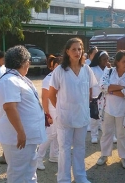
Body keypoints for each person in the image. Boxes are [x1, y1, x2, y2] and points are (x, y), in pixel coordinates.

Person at [48, 37, 97, 183]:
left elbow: (90, 90)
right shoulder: (60, 71)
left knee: (80, 148)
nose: (77, 52)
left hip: (81, 116)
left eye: (80, 49)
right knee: (64, 149)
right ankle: (64, 179)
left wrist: (82, 104)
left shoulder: (86, 69)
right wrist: (61, 109)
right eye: (74, 49)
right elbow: (51, 94)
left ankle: (81, 177)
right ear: (67, 51)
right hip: (65, 117)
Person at [0, 45, 46, 183]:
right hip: (18, 137)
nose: (29, 64)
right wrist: (21, 132)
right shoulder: (9, 80)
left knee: (29, 171)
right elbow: (9, 107)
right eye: (28, 61)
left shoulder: (19, 78)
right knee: (18, 174)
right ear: (24, 62)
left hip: (27, 137)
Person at [96, 50, 125, 169]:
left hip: (124, 111)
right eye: (124, 61)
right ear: (117, 62)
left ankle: (124, 157)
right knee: (106, 133)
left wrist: (111, 90)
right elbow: (102, 86)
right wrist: (122, 88)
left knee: (122, 134)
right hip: (107, 109)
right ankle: (104, 155)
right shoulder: (108, 72)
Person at [36, 55, 61, 170]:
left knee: (57, 133)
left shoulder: (61, 78)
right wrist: (47, 114)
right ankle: (38, 158)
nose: (59, 67)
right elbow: (44, 98)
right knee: (50, 134)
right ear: (53, 66)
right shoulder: (48, 79)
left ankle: (54, 155)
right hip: (52, 110)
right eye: (57, 65)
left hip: (60, 110)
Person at [89, 50, 111, 144]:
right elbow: (89, 84)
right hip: (95, 95)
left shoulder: (109, 69)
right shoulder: (92, 69)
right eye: (103, 59)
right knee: (95, 117)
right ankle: (94, 135)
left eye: (107, 59)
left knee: (108, 117)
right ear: (99, 60)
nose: (106, 61)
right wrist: (89, 96)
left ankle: (110, 135)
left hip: (107, 96)